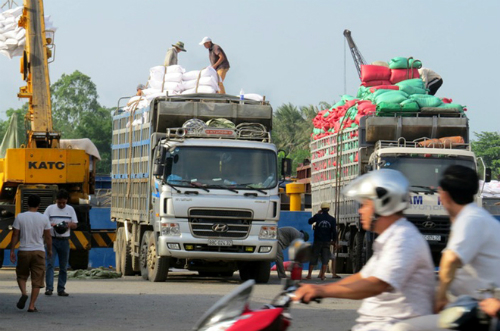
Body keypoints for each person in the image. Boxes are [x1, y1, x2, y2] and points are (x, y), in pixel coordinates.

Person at [295, 169, 435, 331]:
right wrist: (315, 288)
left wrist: (321, 290)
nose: (360, 211)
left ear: (383, 203)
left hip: (390, 325)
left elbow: (375, 284)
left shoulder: (403, 239)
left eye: (365, 204)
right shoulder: (388, 239)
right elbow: (362, 277)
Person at [391, 165, 500, 330]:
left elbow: (450, 259)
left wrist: (440, 297)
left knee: (402, 328)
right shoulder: (476, 216)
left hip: (482, 311)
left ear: (444, 195)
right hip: (475, 305)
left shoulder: (470, 219)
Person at [9, 194, 52, 312]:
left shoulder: (20, 217)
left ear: (27, 204)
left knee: (21, 276)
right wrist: (49, 250)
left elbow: (15, 235)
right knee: (37, 280)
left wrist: (12, 250)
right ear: (39, 205)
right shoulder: (44, 218)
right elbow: (48, 237)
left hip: (24, 250)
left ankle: (24, 293)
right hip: (39, 251)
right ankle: (32, 305)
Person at [45, 189, 78, 297]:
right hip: (52, 240)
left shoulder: (70, 209)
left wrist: (68, 225)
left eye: (64, 202)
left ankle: (61, 289)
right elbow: (44, 222)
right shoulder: (50, 209)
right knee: (50, 264)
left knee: (63, 266)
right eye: (59, 203)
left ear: (67, 200)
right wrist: (52, 224)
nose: (62, 205)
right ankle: (49, 288)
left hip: (64, 240)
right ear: (56, 201)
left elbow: (75, 224)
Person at [305, 202, 339, 280]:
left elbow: (310, 221)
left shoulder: (317, 216)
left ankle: (309, 275)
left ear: (321, 209)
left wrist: (317, 214)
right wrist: (334, 241)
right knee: (325, 259)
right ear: (328, 209)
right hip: (326, 242)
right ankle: (322, 275)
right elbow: (334, 231)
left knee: (314, 257)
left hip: (317, 241)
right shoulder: (332, 219)